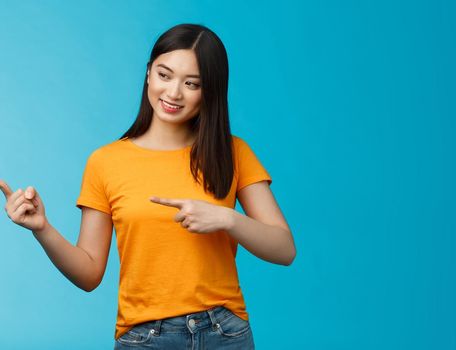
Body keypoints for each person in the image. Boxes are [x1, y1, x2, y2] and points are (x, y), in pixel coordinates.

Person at [0, 23, 295, 349]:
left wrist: (226, 219)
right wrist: (42, 228)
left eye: (191, 83)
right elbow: (89, 274)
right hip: (145, 337)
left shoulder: (232, 152)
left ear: (209, 91)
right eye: (164, 75)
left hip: (224, 332)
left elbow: (284, 249)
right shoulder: (106, 162)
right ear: (148, 74)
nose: (173, 93)